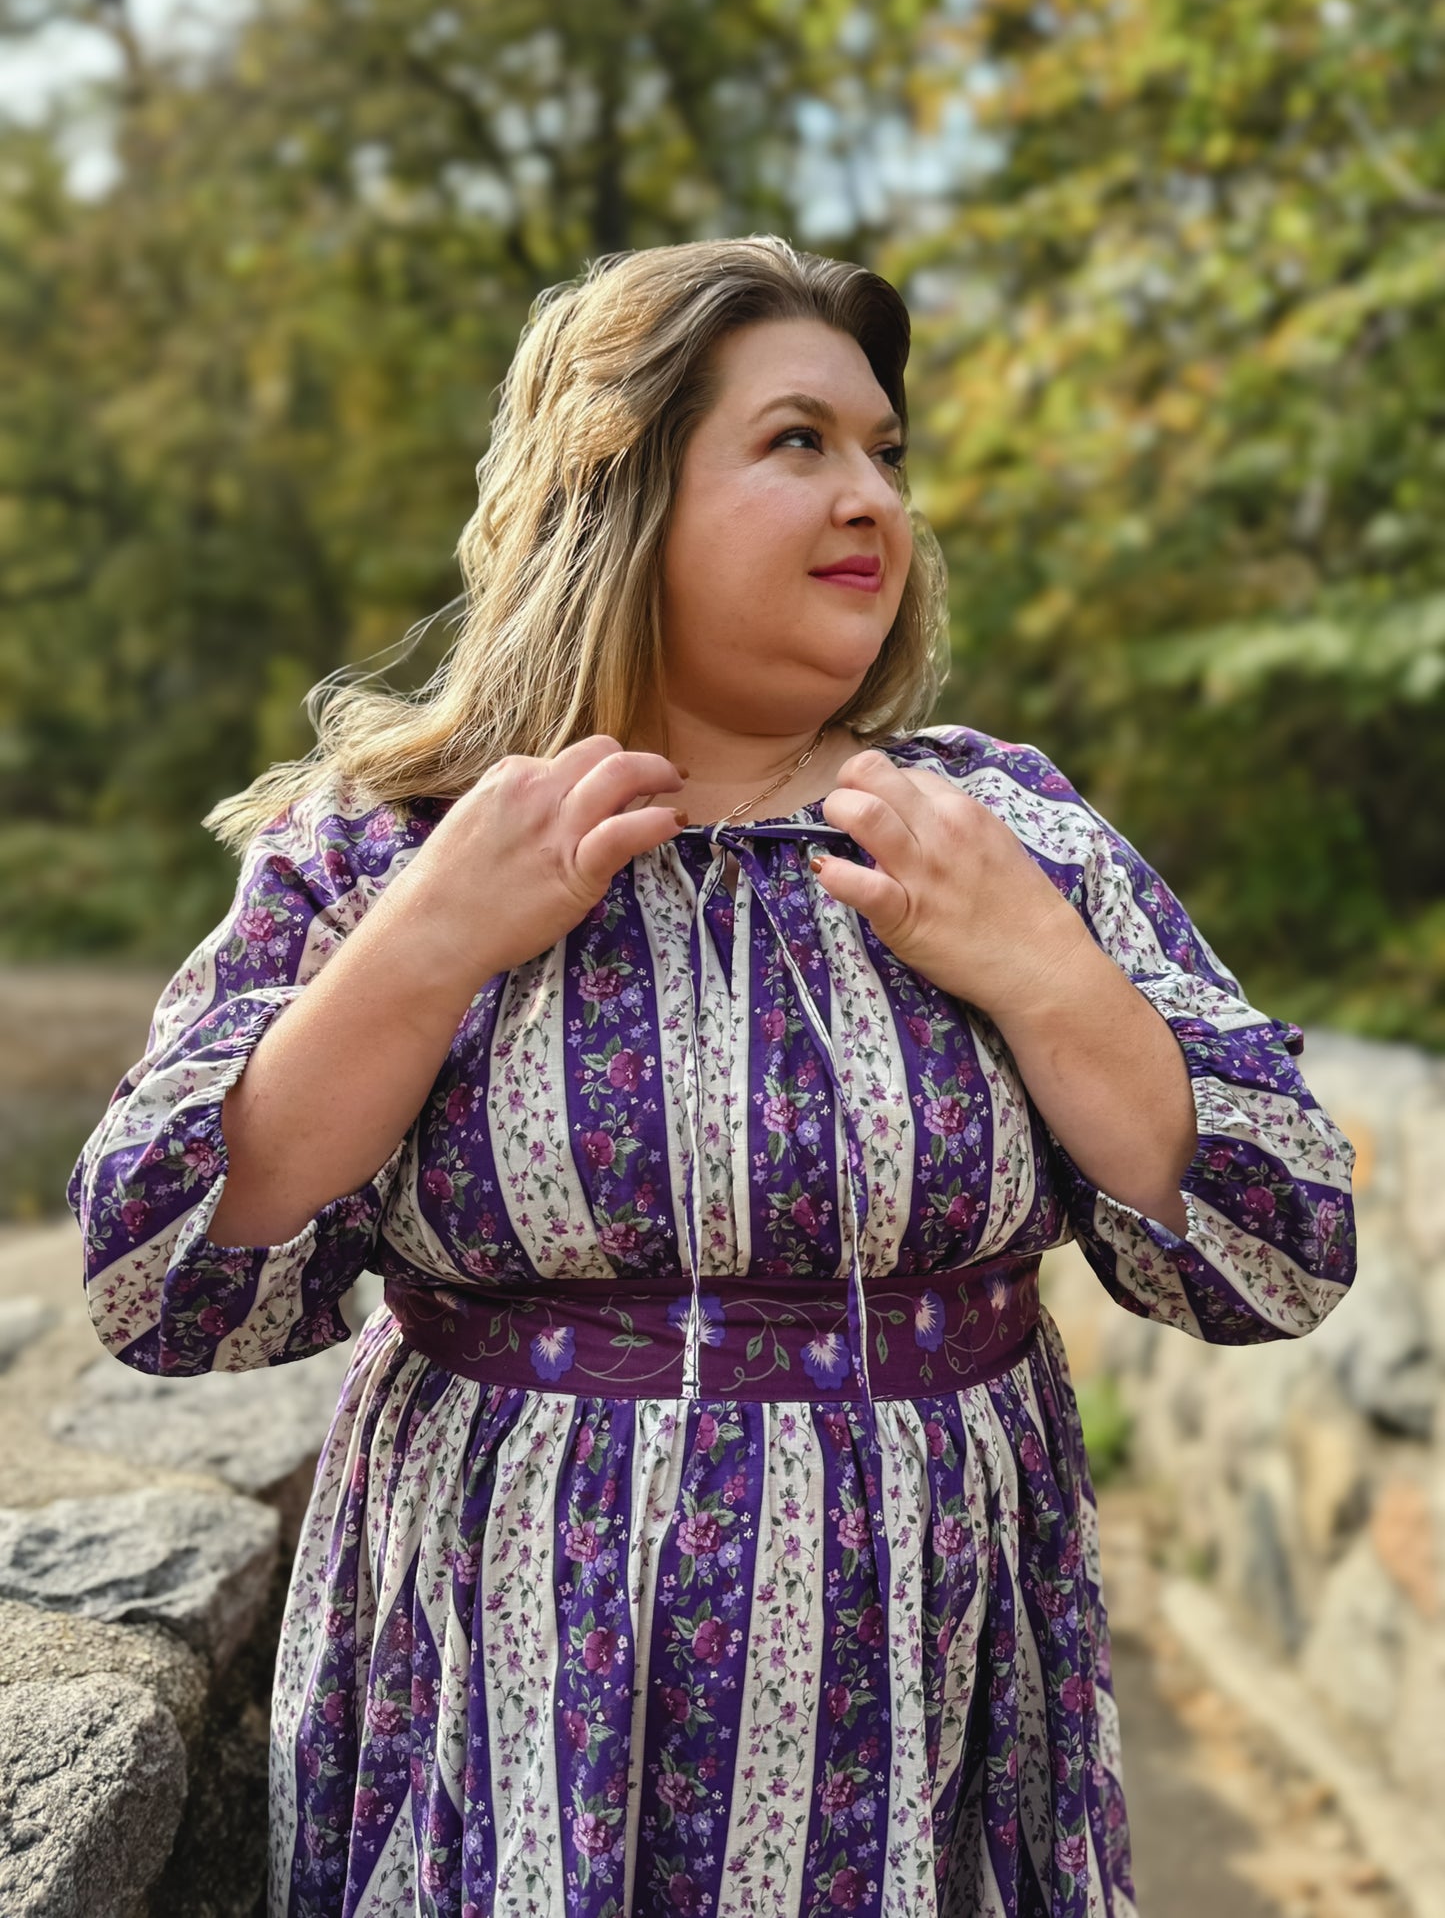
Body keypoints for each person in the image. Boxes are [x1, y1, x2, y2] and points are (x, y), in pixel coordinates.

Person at [69, 235, 1357, 1918]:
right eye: (797, 441)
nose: (872, 501)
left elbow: (1280, 1239)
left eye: (886, 454)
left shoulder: (1002, 836)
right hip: (511, 1688)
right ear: (618, 492)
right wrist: (427, 939)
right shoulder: (390, 846)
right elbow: (157, 1269)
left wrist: (1040, 966)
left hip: (925, 1690)